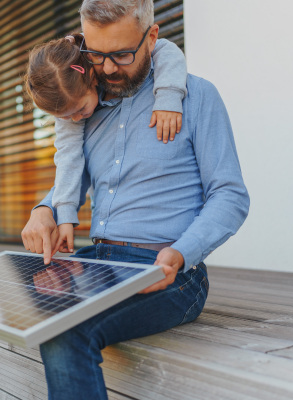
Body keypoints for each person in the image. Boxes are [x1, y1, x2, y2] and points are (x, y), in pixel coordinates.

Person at [0, 0, 250, 398]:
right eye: (97, 54)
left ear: (152, 37)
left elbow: (230, 196)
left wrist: (182, 252)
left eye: (120, 55)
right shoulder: (86, 108)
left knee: (65, 330)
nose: (105, 69)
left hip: (172, 273)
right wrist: (43, 210)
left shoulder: (197, 97)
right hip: (98, 262)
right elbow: (71, 181)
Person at [24, 32, 187, 255]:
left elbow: (164, 48)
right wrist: (64, 217)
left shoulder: (97, 57)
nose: (76, 119)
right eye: (65, 116)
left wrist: (168, 98)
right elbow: (68, 160)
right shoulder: (69, 104)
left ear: (92, 77)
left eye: (80, 110)